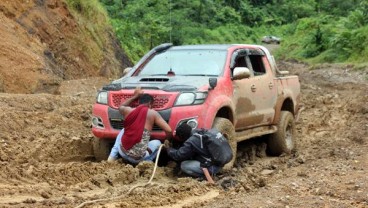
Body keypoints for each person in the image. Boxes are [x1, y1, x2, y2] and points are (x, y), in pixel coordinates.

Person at [108, 86, 172, 164]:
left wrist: (135, 96)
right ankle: (147, 162)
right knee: (158, 143)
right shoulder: (153, 113)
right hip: (137, 159)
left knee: (124, 130)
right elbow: (169, 130)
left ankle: (112, 156)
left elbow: (121, 107)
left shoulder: (128, 110)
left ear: (138, 103)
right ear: (150, 104)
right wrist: (167, 140)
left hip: (122, 152)